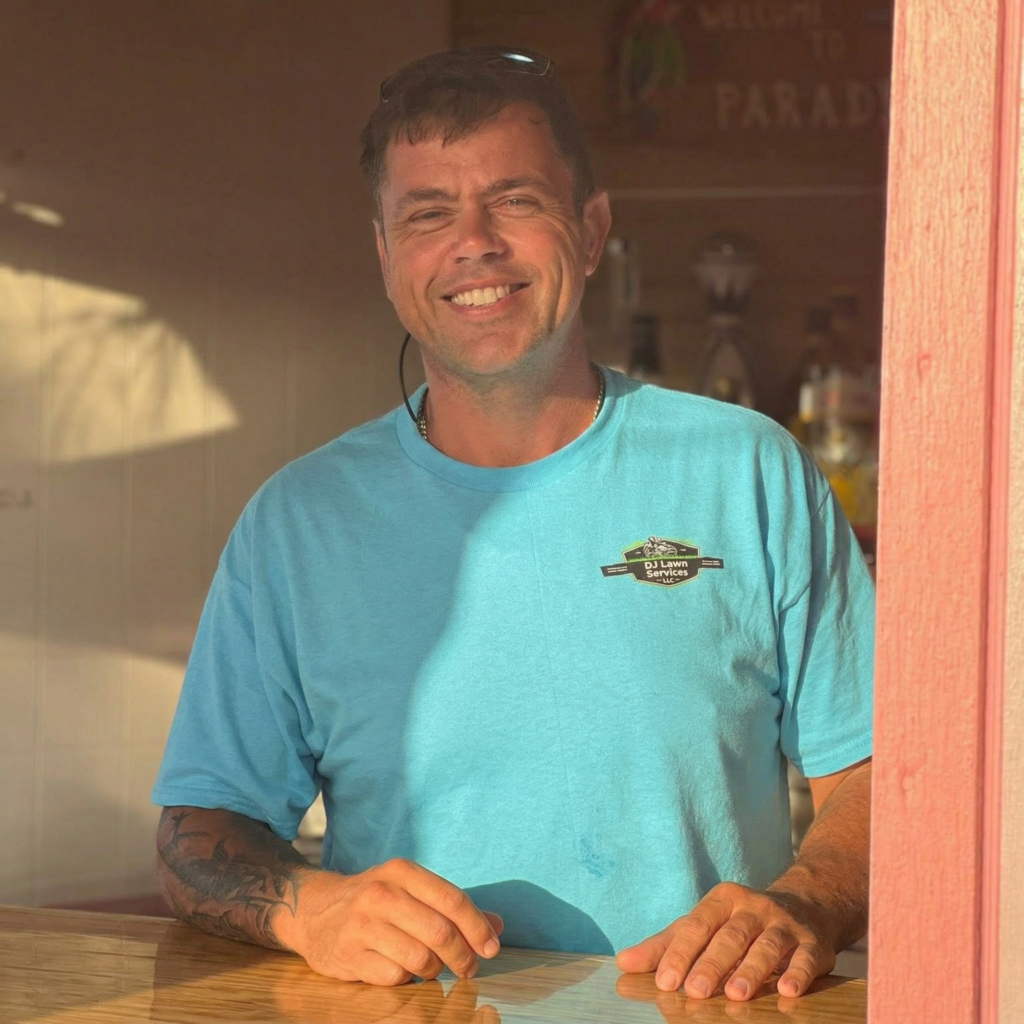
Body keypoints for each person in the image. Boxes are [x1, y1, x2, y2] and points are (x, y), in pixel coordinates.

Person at [152, 45, 874, 1003]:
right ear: (386, 256)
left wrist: (807, 904)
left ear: (592, 229)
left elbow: (880, 773)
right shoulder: (298, 523)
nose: (475, 243)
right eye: (427, 213)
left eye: (516, 200)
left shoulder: (746, 470)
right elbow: (198, 831)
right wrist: (307, 907)